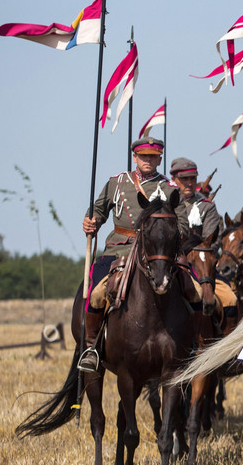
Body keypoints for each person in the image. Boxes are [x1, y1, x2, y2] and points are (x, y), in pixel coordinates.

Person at [78, 137, 196, 371]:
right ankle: (91, 347)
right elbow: (98, 210)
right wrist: (90, 221)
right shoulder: (117, 183)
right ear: (135, 157)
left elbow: (183, 225)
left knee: (196, 291)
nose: (148, 160)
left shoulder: (170, 189)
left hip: (158, 254)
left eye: (153, 157)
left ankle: (192, 346)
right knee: (96, 293)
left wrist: (169, 239)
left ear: (160, 158)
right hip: (119, 249)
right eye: (143, 156)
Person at [170, 157, 228, 316]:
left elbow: (212, 241)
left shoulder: (206, 206)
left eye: (192, 178)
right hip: (167, 262)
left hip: (199, 266)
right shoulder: (165, 204)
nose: (189, 183)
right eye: (184, 179)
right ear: (173, 179)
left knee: (230, 300)